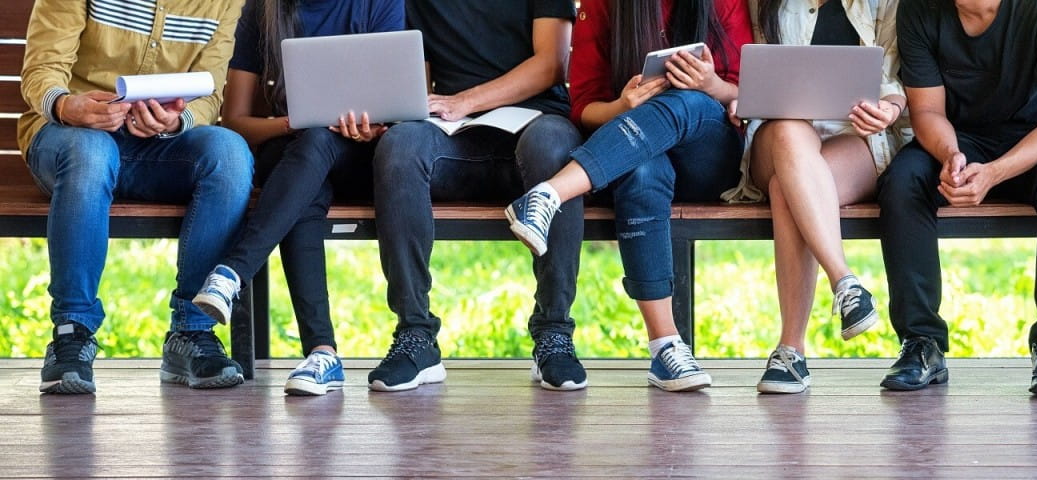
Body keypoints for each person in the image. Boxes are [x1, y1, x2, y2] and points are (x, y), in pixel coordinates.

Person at [507, 0, 753, 392]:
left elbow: (750, 90)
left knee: (686, 102)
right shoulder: (603, 5)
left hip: (709, 156)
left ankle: (550, 193)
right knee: (641, 170)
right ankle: (666, 347)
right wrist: (624, 106)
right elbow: (584, 107)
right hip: (632, 152)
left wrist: (710, 86)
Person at [19, 0, 252, 394]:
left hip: (157, 148)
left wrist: (177, 120)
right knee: (93, 152)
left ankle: (191, 332)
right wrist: (66, 105)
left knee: (229, 153)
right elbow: (42, 69)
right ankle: (70, 335)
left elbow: (209, 95)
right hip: (68, 141)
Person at [878, 0, 1037, 397]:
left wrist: (995, 171)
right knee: (903, 180)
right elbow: (927, 110)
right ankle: (921, 343)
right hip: (961, 138)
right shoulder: (919, 8)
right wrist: (950, 156)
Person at [370, 0, 588, 392]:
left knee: (555, 147)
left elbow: (552, 63)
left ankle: (554, 333)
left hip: (536, 125)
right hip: (456, 139)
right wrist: (403, 111)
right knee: (400, 146)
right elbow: (414, 80)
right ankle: (415, 335)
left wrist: (465, 101)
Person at [191, 0, 405, 396]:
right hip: (293, 151)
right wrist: (291, 122)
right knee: (310, 161)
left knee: (313, 154)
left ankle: (233, 272)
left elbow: (397, 108)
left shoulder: (379, 3)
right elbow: (236, 122)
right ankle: (322, 355)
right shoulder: (263, 10)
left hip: (363, 158)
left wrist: (372, 129)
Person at [736, 0, 908, 394]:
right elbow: (755, 72)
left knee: (788, 187)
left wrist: (888, 108)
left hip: (855, 135)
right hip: (778, 132)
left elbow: (897, 78)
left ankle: (790, 350)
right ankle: (844, 281)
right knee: (788, 134)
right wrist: (741, 95)